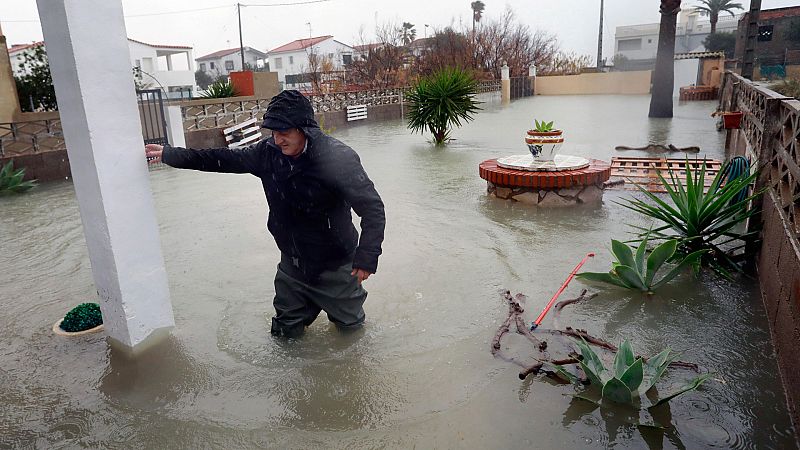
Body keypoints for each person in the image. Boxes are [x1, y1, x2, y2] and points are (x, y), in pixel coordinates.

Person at [145, 90, 385, 338]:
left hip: (336, 266)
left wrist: (366, 257)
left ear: (305, 129)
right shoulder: (267, 154)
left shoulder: (338, 158)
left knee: (351, 336)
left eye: (285, 132)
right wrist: (169, 154)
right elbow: (221, 158)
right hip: (292, 266)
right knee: (284, 335)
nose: (278, 139)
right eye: (274, 132)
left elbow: (372, 208)